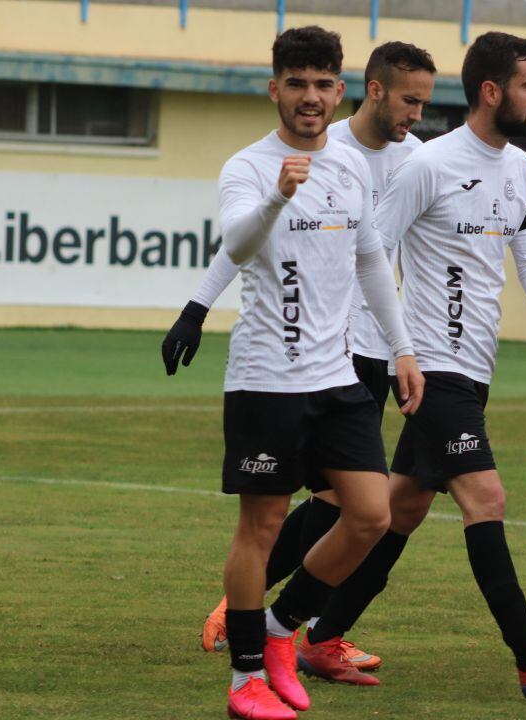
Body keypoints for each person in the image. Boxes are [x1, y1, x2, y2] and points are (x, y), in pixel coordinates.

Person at [293, 31, 526, 701]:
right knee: (485, 497)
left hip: (474, 366)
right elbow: (369, 250)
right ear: (492, 92)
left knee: (400, 511)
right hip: (433, 369)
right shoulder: (428, 165)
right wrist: (382, 344)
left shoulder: (519, 167)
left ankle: (317, 639)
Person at [162, 26, 424, 720]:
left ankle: (281, 633)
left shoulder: (349, 168)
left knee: (372, 514)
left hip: (336, 376)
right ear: (274, 88)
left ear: (339, 91)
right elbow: (238, 242)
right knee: (264, 526)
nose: (310, 97)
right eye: (296, 84)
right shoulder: (247, 167)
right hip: (265, 378)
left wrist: (402, 350)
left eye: (321, 84)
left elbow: (371, 261)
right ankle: (247, 678)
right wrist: (277, 196)